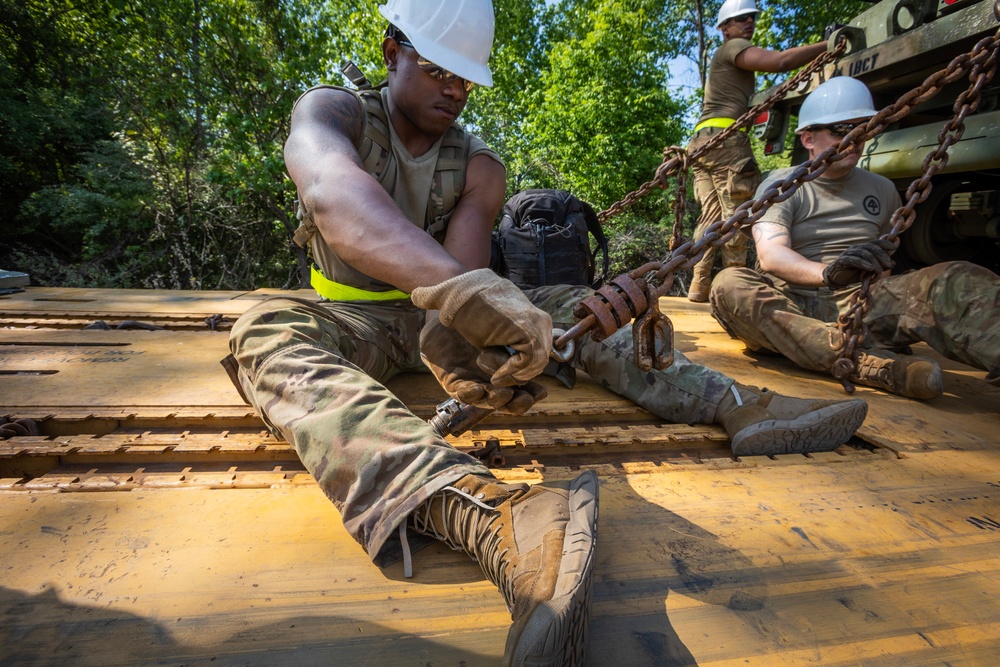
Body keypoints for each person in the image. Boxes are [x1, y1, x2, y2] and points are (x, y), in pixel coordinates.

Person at [224, 3, 869, 665]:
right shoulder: (334, 113)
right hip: (352, 315)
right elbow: (334, 193)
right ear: (392, 53)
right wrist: (463, 293)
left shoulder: (478, 164)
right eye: (438, 69)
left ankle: (736, 405)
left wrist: (489, 336)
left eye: (465, 79)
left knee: (565, 305)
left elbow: (467, 277)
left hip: (431, 314)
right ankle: (498, 516)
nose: (454, 89)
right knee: (265, 334)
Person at [710, 76, 1000, 399]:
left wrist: (873, 296)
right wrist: (829, 273)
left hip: (860, 305)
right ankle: (861, 361)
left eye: (863, 128)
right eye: (840, 130)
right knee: (728, 284)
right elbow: (771, 254)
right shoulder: (783, 184)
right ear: (807, 138)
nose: (854, 138)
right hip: (791, 303)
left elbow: (886, 265)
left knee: (954, 280)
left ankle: (818, 349)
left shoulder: (883, 190)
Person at [686, 0, 829, 303]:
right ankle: (735, 289)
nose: (748, 23)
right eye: (740, 19)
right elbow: (780, 62)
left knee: (710, 219)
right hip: (726, 142)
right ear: (724, 28)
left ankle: (698, 287)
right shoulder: (733, 47)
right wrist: (829, 44)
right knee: (735, 216)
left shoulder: (721, 55)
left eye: (751, 18)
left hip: (701, 143)